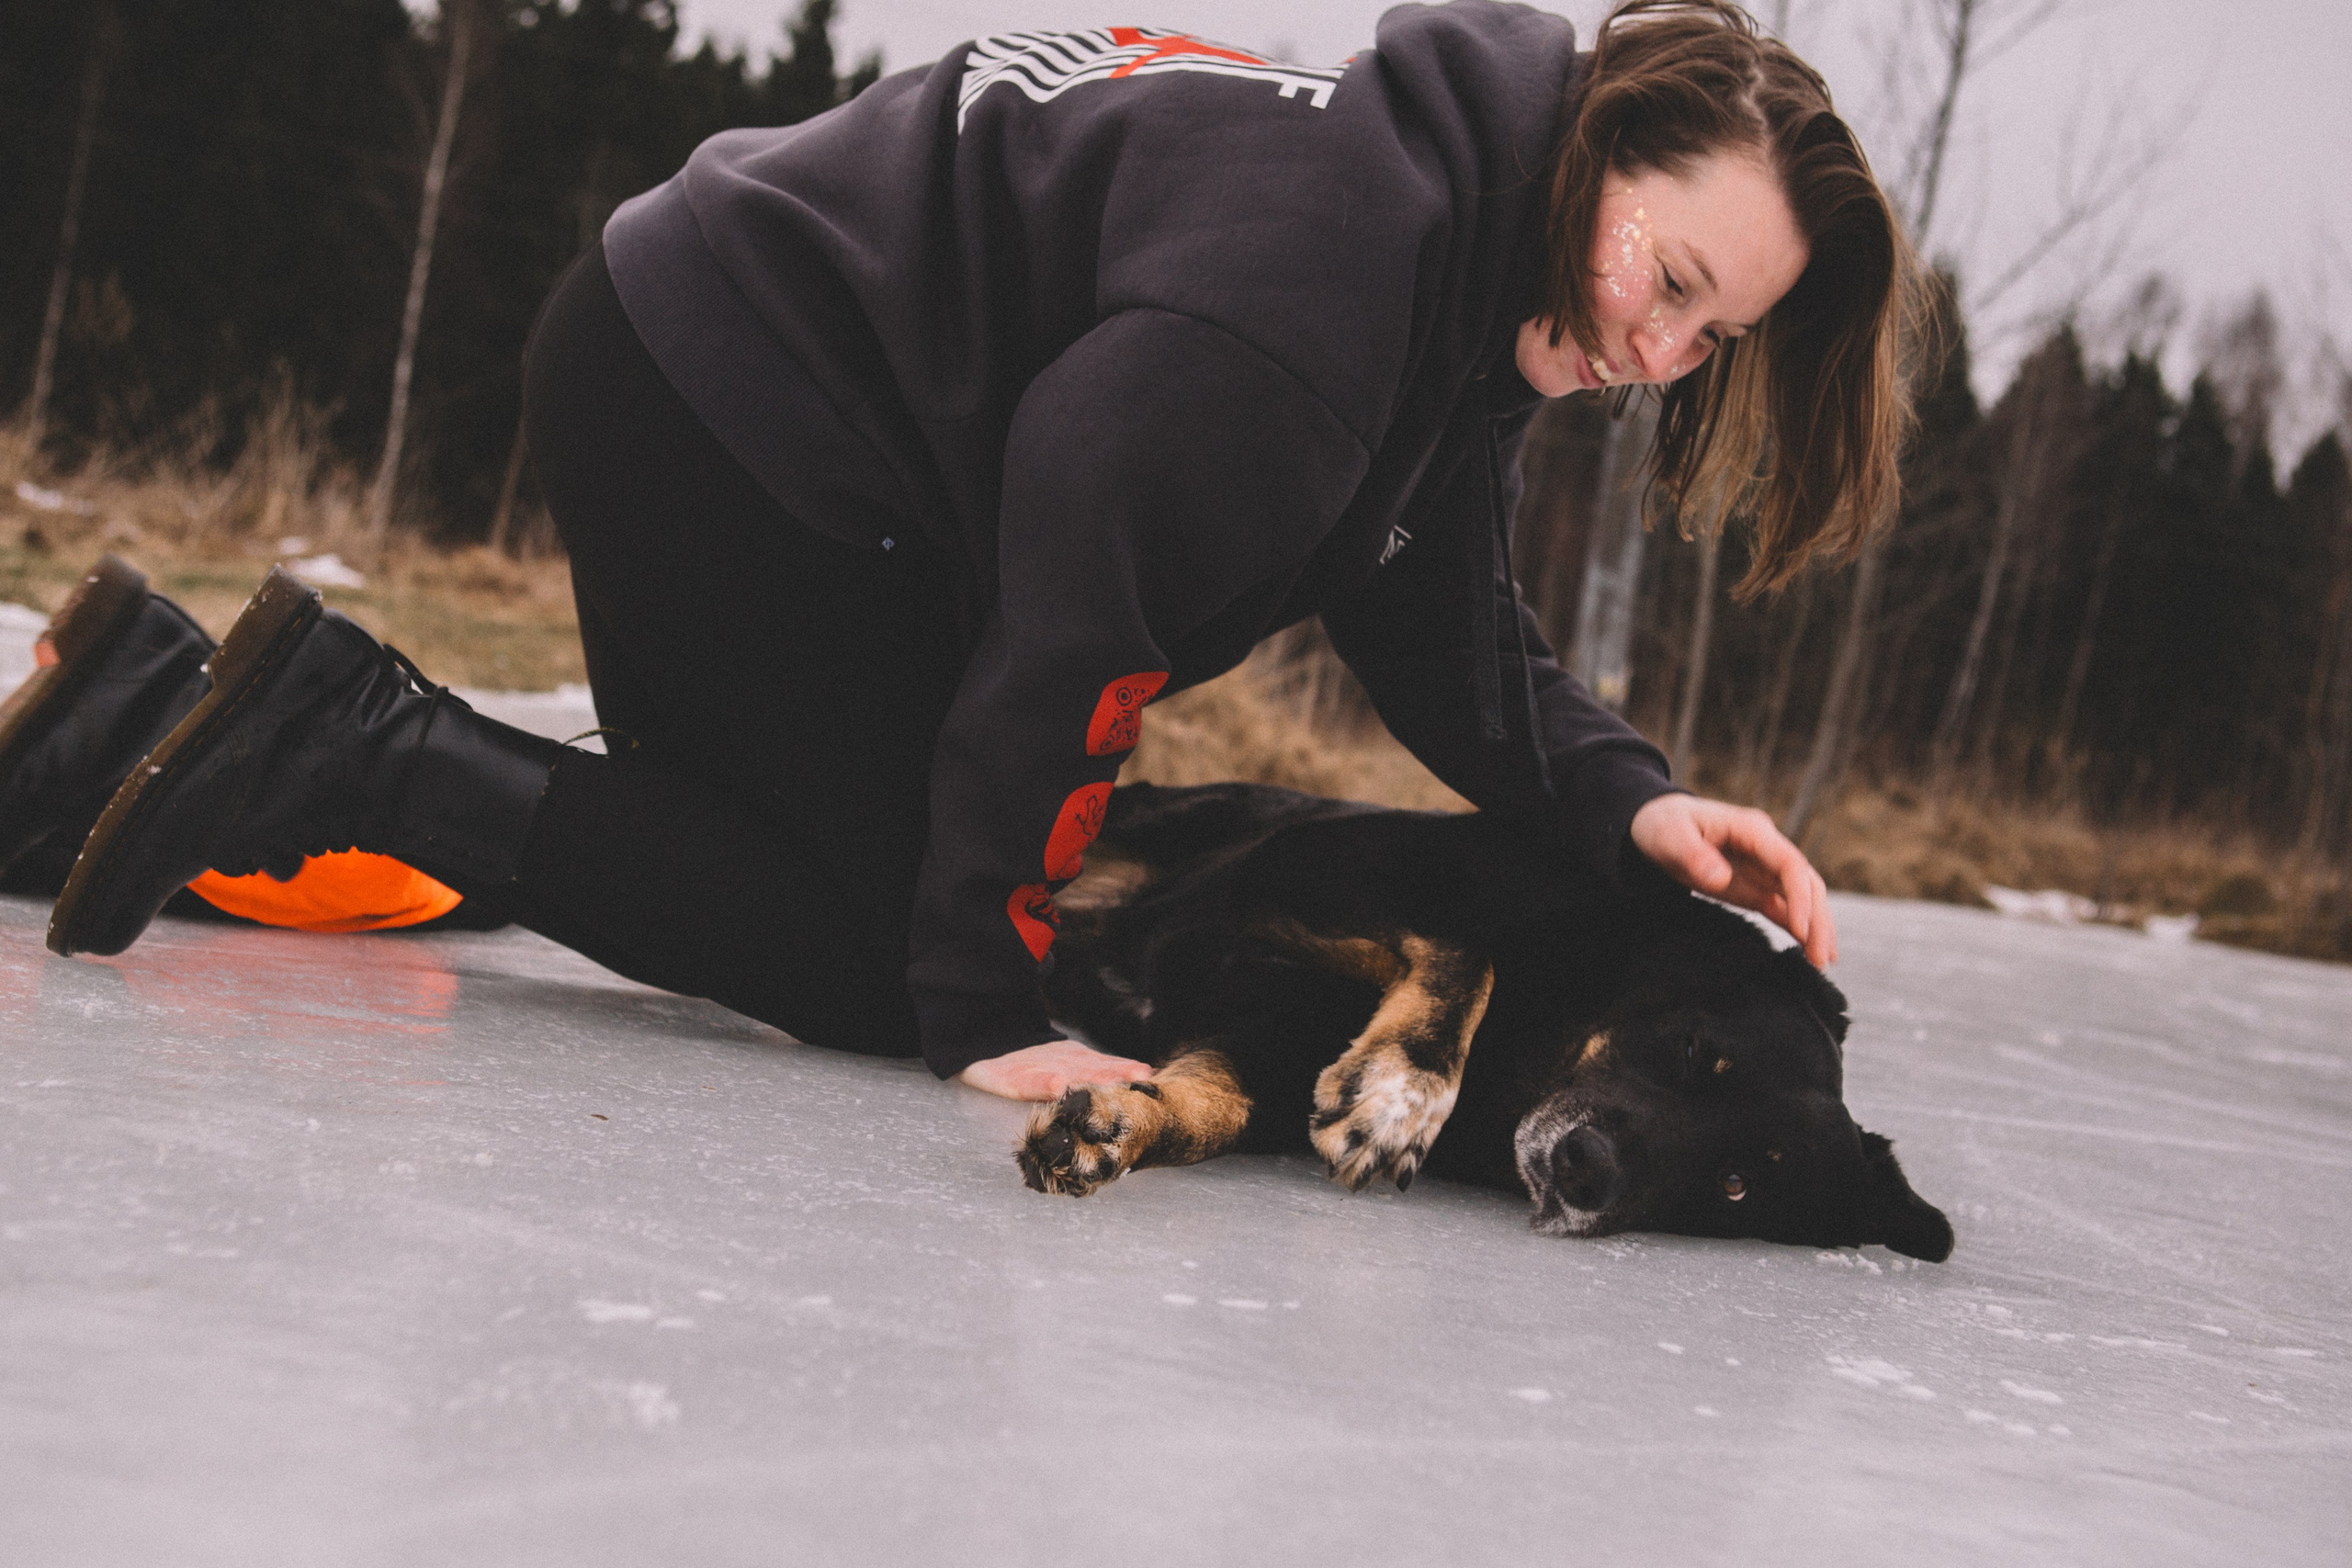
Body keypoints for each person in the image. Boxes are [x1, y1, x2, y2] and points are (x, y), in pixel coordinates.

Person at [26, 0, 1914, 1107]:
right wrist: (978, 1013)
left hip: (764, 401)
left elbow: (1428, 602)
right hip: (723, 409)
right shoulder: (1328, 306)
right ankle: (348, 741)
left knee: (811, 842)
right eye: (1662, 281)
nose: (1655, 354)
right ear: (1597, 142)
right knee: (864, 939)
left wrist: (1628, 806)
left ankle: (124, 728)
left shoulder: (1451, 258)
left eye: (1710, 337)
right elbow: (1074, 598)